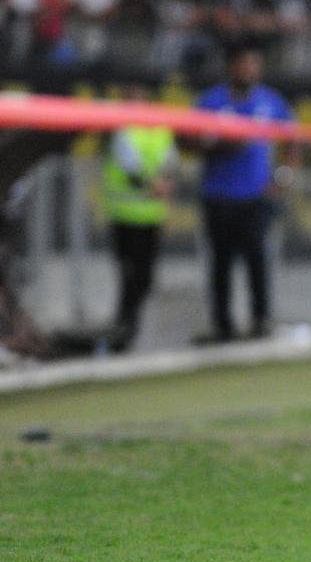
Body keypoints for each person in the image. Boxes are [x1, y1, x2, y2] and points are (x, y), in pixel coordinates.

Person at [194, 44, 297, 342]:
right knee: (221, 262)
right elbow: (187, 140)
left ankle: (261, 319)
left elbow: (293, 139)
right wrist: (219, 145)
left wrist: (282, 177)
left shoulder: (270, 101)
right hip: (218, 194)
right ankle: (222, 324)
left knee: (257, 259)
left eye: (255, 65)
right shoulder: (211, 102)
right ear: (233, 67)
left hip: (255, 196)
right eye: (245, 64)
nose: (251, 70)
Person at [102, 85, 178, 351]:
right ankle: (125, 325)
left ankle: (131, 324)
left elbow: (170, 164)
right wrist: (153, 186)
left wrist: (164, 187)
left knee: (144, 276)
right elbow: (129, 168)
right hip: (124, 215)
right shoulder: (123, 130)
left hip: (150, 216)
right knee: (127, 273)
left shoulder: (161, 130)